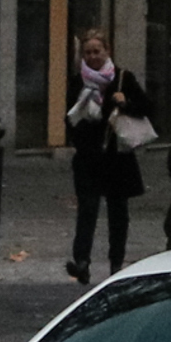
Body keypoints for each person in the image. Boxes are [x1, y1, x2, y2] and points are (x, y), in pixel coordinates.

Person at [63, 29, 149, 284]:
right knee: (87, 209)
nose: (92, 57)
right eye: (88, 53)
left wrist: (125, 103)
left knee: (117, 213)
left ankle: (116, 263)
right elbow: (68, 118)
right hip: (88, 157)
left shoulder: (123, 78)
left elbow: (147, 108)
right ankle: (82, 262)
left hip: (116, 157)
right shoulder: (78, 82)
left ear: (107, 51)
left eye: (97, 51)